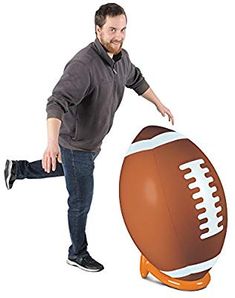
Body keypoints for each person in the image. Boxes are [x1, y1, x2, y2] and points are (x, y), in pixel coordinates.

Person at [4, 3, 174, 272]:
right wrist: (52, 144)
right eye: (112, 30)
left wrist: (159, 104)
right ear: (97, 30)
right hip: (75, 144)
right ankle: (77, 253)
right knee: (81, 200)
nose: (118, 35)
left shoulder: (121, 58)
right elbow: (56, 102)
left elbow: (136, 79)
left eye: (123, 29)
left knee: (65, 170)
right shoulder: (83, 65)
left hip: (92, 143)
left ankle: (18, 169)